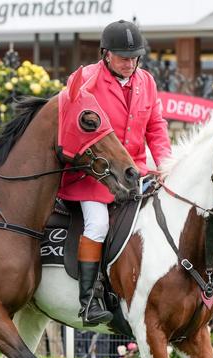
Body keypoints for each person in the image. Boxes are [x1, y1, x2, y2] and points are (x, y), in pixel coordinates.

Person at [58, 20, 172, 326]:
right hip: (93, 175)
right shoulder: (84, 81)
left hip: (135, 171)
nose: (130, 63)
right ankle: (89, 298)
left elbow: (156, 127)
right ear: (106, 54)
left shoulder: (146, 80)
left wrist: (164, 161)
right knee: (97, 224)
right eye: (124, 57)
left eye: (135, 57)